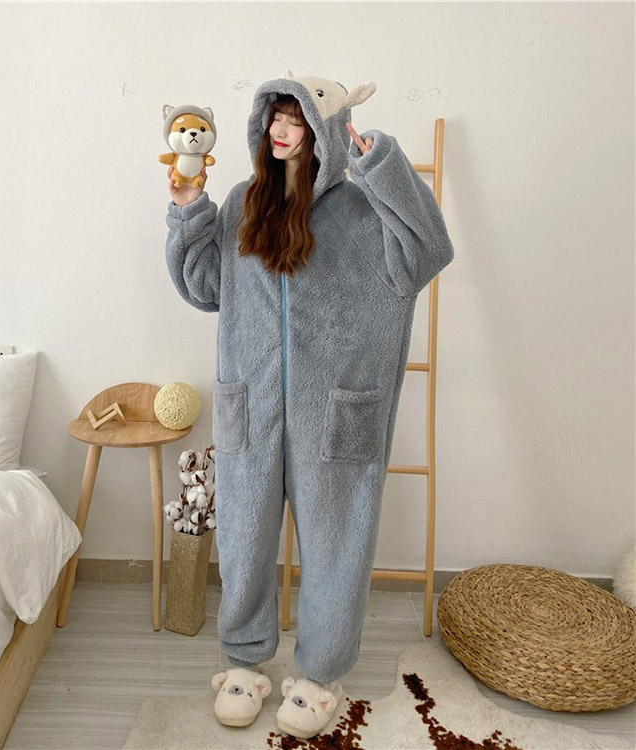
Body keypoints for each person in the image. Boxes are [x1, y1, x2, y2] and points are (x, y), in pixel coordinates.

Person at [164, 72, 454, 739]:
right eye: (275, 116)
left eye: (296, 119)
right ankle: (244, 663)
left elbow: (431, 249)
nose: (282, 129)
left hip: (338, 413)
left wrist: (382, 164)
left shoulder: (362, 211)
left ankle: (320, 675)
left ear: (324, 132)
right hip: (250, 405)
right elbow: (205, 287)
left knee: (335, 548)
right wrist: (189, 210)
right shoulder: (244, 203)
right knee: (244, 539)